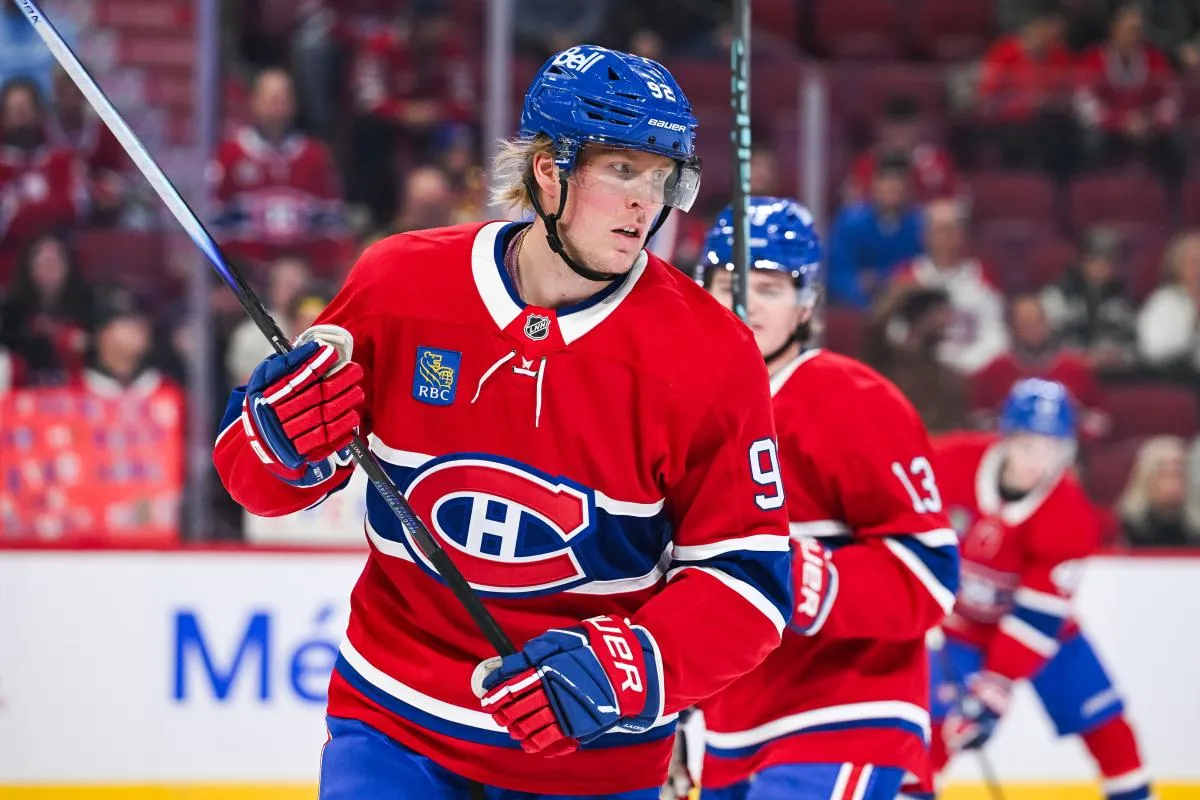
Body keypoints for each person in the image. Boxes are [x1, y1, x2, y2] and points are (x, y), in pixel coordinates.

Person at [212, 45, 793, 799]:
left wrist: (632, 663)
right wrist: (277, 440)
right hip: (397, 722)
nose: (644, 203)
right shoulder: (400, 283)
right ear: (548, 171)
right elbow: (261, 486)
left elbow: (748, 585)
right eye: (622, 170)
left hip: (589, 756)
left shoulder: (712, 356)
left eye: (661, 177)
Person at [689, 198, 960, 800]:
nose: (746, 303)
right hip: (731, 729)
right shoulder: (687, 409)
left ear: (806, 303)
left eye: (769, 287)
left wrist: (805, 574)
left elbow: (930, 572)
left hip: (845, 712)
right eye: (730, 283)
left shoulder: (849, 397)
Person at [901, 378, 1154, 800]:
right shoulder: (950, 462)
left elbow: (1037, 615)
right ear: (1006, 438)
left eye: (1052, 448)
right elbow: (895, 510)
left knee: (1107, 725)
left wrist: (995, 685)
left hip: (1044, 634)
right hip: (957, 627)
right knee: (931, 733)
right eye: (1027, 445)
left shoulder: (1070, 515)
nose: (1039, 461)